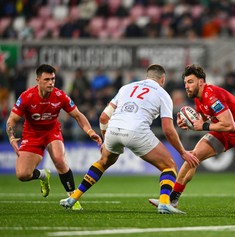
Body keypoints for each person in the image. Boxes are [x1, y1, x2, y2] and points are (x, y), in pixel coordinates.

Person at [59, 64, 199, 214]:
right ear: (162, 79)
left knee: (104, 162)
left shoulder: (125, 88)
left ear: (147, 76)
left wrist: (106, 140)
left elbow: (104, 117)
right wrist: (183, 152)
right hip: (136, 131)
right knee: (169, 166)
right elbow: (168, 129)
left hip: (113, 129)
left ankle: (73, 198)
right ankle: (164, 203)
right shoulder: (162, 94)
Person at [149, 64, 235, 209]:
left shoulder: (212, 96)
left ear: (201, 82)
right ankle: (172, 200)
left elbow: (230, 125)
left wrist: (202, 126)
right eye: (185, 83)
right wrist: (189, 123)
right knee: (193, 156)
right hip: (221, 130)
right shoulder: (198, 97)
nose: (187, 86)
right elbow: (204, 120)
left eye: (190, 82)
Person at [6, 64, 102, 211]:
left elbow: (78, 115)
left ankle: (73, 197)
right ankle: (44, 175)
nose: (51, 82)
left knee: (59, 159)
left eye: (53, 79)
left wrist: (90, 132)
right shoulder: (27, 97)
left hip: (52, 131)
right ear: (38, 80)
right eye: (47, 79)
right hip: (32, 134)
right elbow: (12, 120)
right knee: (22, 174)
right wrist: (12, 137)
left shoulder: (60, 95)